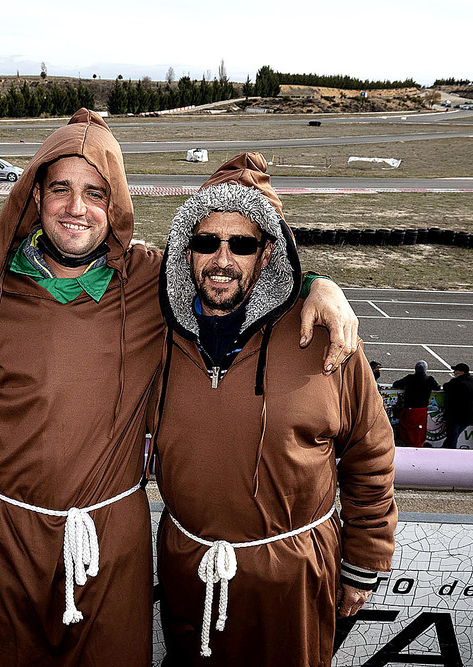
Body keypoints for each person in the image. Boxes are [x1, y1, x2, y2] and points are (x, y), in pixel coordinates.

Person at [0, 111, 360, 665]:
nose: (76, 208)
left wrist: (319, 285)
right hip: (4, 532)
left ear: (117, 203)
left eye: (95, 193)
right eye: (60, 189)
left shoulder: (152, 281)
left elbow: (231, 271)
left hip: (110, 536)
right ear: (34, 196)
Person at [153, 153, 396, 666]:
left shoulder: (324, 338)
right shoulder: (156, 334)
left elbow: (369, 453)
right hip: (189, 569)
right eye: (206, 241)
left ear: (268, 253)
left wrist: (364, 562)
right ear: (185, 249)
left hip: (294, 577)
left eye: (242, 244)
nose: (222, 259)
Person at [392, 361, 441, 447]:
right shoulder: (429, 379)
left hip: (410, 408)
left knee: (408, 427)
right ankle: (417, 444)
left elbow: (396, 384)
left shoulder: (410, 378)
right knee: (419, 429)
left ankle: (408, 443)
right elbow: (437, 387)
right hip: (422, 409)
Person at [441, 363, 473, 449]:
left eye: (456, 370)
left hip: (456, 415)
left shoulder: (456, 382)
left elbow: (446, 386)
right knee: (454, 436)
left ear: (461, 372)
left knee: (452, 437)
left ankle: (449, 453)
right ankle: (445, 449)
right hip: (469, 415)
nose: (454, 372)